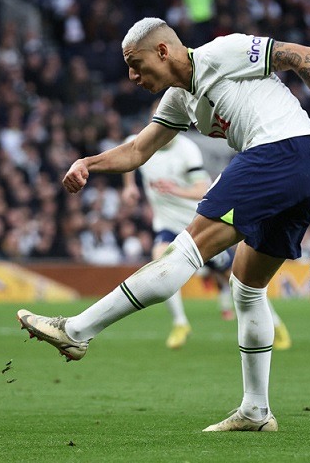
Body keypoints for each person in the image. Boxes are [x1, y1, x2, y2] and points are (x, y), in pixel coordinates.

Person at [18, 17, 310, 432]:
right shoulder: (179, 100)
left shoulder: (223, 51)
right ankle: (256, 411)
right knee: (247, 286)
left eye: (136, 64)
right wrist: (88, 163)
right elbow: (137, 150)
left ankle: (76, 330)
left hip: (281, 150)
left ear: (163, 51)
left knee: (185, 250)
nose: (132, 76)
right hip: (309, 169)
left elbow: (302, 56)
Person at [121, 104, 291, 350]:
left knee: (237, 280)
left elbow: (203, 189)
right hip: (167, 225)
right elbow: (129, 157)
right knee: (159, 263)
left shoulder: (187, 150)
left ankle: (275, 324)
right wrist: (129, 186)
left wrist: (175, 190)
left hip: (197, 225)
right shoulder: (138, 142)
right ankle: (180, 323)